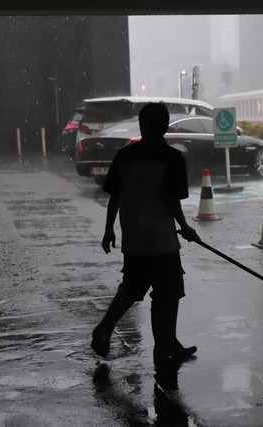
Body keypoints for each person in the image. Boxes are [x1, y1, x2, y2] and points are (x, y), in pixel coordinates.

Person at [91, 102, 200, 365]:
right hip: (162, 240)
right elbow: (172, 199)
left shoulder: (125, 156)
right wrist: (185, 227)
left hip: (134, 239)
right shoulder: (172, 158)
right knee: (168, 291)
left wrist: (109, 229)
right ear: (164, 126)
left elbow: (115, 195)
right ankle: (165, 346)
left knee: (132, 286)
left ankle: (105, 327)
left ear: (141, 125)